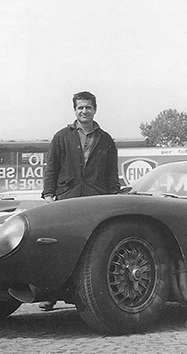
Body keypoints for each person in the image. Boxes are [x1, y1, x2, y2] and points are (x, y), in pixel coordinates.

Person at [39, 91, 120, 311]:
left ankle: (91, 296)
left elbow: (112, 174)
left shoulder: (106, 140)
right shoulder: (62, 136)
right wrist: (48, 195)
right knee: (59, 248)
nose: (84, 111)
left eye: (88, 107)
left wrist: (114, 198)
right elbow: (51, 168)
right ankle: (49, 295)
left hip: (97, 201)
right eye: (80, 108)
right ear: (74, 110)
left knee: (94, 249)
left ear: (95, 109)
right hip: (67, 199)